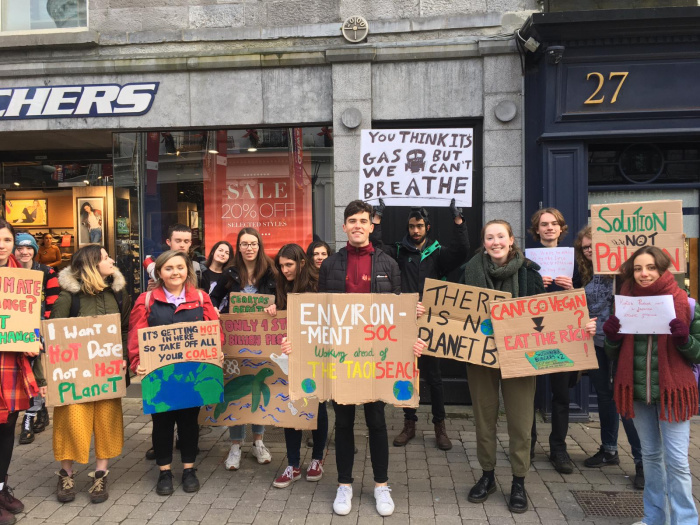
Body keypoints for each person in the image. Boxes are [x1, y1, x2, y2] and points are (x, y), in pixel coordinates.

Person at [283, 200, 425, 517]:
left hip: (375, 359)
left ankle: (381, 486)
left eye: (363, 220)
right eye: (352, 221)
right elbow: (318, 316)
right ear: (345, 226)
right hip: (340, 360)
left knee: (376, 423)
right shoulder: (330, 265)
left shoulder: (389, 265)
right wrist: (299, 345)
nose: (358, 225)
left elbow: (397, 317)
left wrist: (410, 339)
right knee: (344, 424)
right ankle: (344, 485)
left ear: (371, 226)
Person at [460, 219, 579, 513]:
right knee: (484, 417)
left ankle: (518, 481)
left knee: (521, 421)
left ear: (511, 240)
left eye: (501, 236)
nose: (496, 242)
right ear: (484, 242)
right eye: (490, 237)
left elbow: (548, 316)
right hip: (481, 357)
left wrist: (574, 308)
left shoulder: (530, 273)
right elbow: (453, 311)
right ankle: (487, 476)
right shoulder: (468, 272)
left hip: (520, 357)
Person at [603, 246, 700, 525]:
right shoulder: (625, 301)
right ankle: (654, 518)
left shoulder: (685, 302)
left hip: (675, 394)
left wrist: (685, 340)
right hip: (636, 390)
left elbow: (699, 352)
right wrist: (611, 336)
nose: (644, 274)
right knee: (651, 457)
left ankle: (685, 520)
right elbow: (613, 352)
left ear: (662, 269)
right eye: (637, 268)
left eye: (650, 268)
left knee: (679, 462)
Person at [371, 198, 469, 451]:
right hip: (404, 323)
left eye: (420, 226)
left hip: (432, 324)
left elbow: (461, 251)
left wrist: (458, 220)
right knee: (407, 374)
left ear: (428, 227)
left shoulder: (438, 252)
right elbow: (376, 245)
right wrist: (377, 219)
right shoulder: (399, 251)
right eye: (412, 226)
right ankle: (409, 424)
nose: (415, 230)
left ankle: (440, 427)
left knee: (434, 377)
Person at [128, 250, 220, 496]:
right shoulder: (146, 301)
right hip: (160, 376)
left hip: (192, 374)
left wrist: (216, 353)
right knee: (162, 423)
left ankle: (189, 469)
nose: (175, 272)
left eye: (180, 267)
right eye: (169, 268)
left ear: (187, 271)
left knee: (190, 422)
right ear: (159, 273)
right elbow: (136, 337)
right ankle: (164, 471)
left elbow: (214, 331)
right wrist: (137, 362)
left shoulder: (201, 298)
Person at [50, 245, 131, 504]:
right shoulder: (67, 298)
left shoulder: (118, 294)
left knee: (106, 421)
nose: (111, 260)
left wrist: (125, 358)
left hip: (107, 373)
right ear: (91, 264)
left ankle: (100, 473)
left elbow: (126, 329)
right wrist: (48, 379)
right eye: (105, 257)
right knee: (71, 421)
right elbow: (54, 338)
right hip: (74, 376)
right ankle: (66, 473)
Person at [574, 227, 644, 489]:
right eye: (585, 247)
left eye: (594, 245)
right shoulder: (587, 274)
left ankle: (642, 461)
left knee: (624, 400)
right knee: (604, 396)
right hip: (595, 343)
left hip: (621, 343)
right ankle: (609, 450)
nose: (590, 250)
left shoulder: (624, 274)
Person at [209, 228, 277, 471]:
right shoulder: (230, 273)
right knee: (235, 388)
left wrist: (275, 307)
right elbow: (213, 298)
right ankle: (235, 445)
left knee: (259, 389)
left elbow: (280, 298)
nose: (249, 248)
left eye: (254, 243)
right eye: (245, 244)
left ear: (259, 245)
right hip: (235, 339)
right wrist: (215, 310)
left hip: (262, 340)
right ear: (238, 247)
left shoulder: (270, 271)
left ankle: (258, 441)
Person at [264, 244, 328, 489]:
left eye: (288, 265)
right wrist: (274, 310)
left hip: (315, 357)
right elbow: (281, 318)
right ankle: (293, 464)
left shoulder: (317, 284)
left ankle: (317, 458)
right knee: (290, 405)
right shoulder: (282, 284)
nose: (284, 269)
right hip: (290, 357)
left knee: (317, 406)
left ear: (302, 263)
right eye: (281, 265)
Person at [528, 207, 580, 474]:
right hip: (534, 334)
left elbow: (587, 299)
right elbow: (519, 298)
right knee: (530, 393)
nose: (549, 228)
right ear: (536, 230)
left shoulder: (576, 261)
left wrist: (573, 289)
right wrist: (536, 285)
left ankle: (558, 448)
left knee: (561, 394)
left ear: (561, 228)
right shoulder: (528, 262)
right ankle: (529, 445)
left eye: (554, 224)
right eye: (543, 224)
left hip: (563, 335)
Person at [0, 219, 44, 524]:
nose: (1, 245)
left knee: (7, 429)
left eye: (5, 239)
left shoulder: (21, 275)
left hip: (14, 362)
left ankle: (1, 486)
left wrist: (32, 339)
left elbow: (27, 316)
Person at [13, 233, 60, 445]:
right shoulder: (6, 273)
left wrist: (41, 333)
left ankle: (28, 420)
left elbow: (53, 304)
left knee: (36, 375)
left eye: (28, 247)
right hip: (12, 332)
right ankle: (41, 412)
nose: (24, 252)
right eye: (20, 248)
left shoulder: (47, 272)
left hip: (37, 330)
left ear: (35, 249)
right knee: (20, 375)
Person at [144, 224, 203, 288]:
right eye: (178, 241)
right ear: (168, 242)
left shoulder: (198, 264)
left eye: (186, 241)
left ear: (190, 243)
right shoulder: (159, 263)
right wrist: (152, 290)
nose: (182, 245)